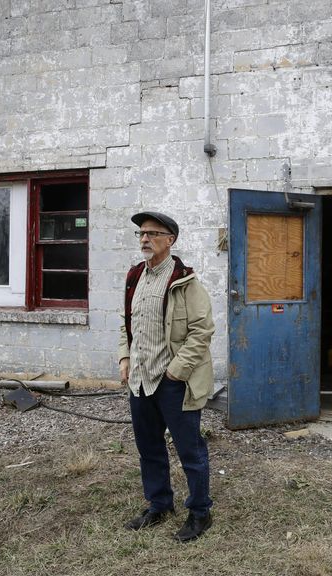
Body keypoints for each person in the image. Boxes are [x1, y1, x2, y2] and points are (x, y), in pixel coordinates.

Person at [118, 211, 215, 542]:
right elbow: (126, 323)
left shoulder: (186, 281)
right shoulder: (135, 277)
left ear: (170, 240)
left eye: (152, 233)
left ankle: (200, 512)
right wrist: (124, 356)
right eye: (141, 233)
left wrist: (178, 369)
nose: (144, 239)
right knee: (149, 447)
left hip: (174, 382)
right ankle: (159, 505)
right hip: (141, 381)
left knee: (190, 450)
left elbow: (202, 331)